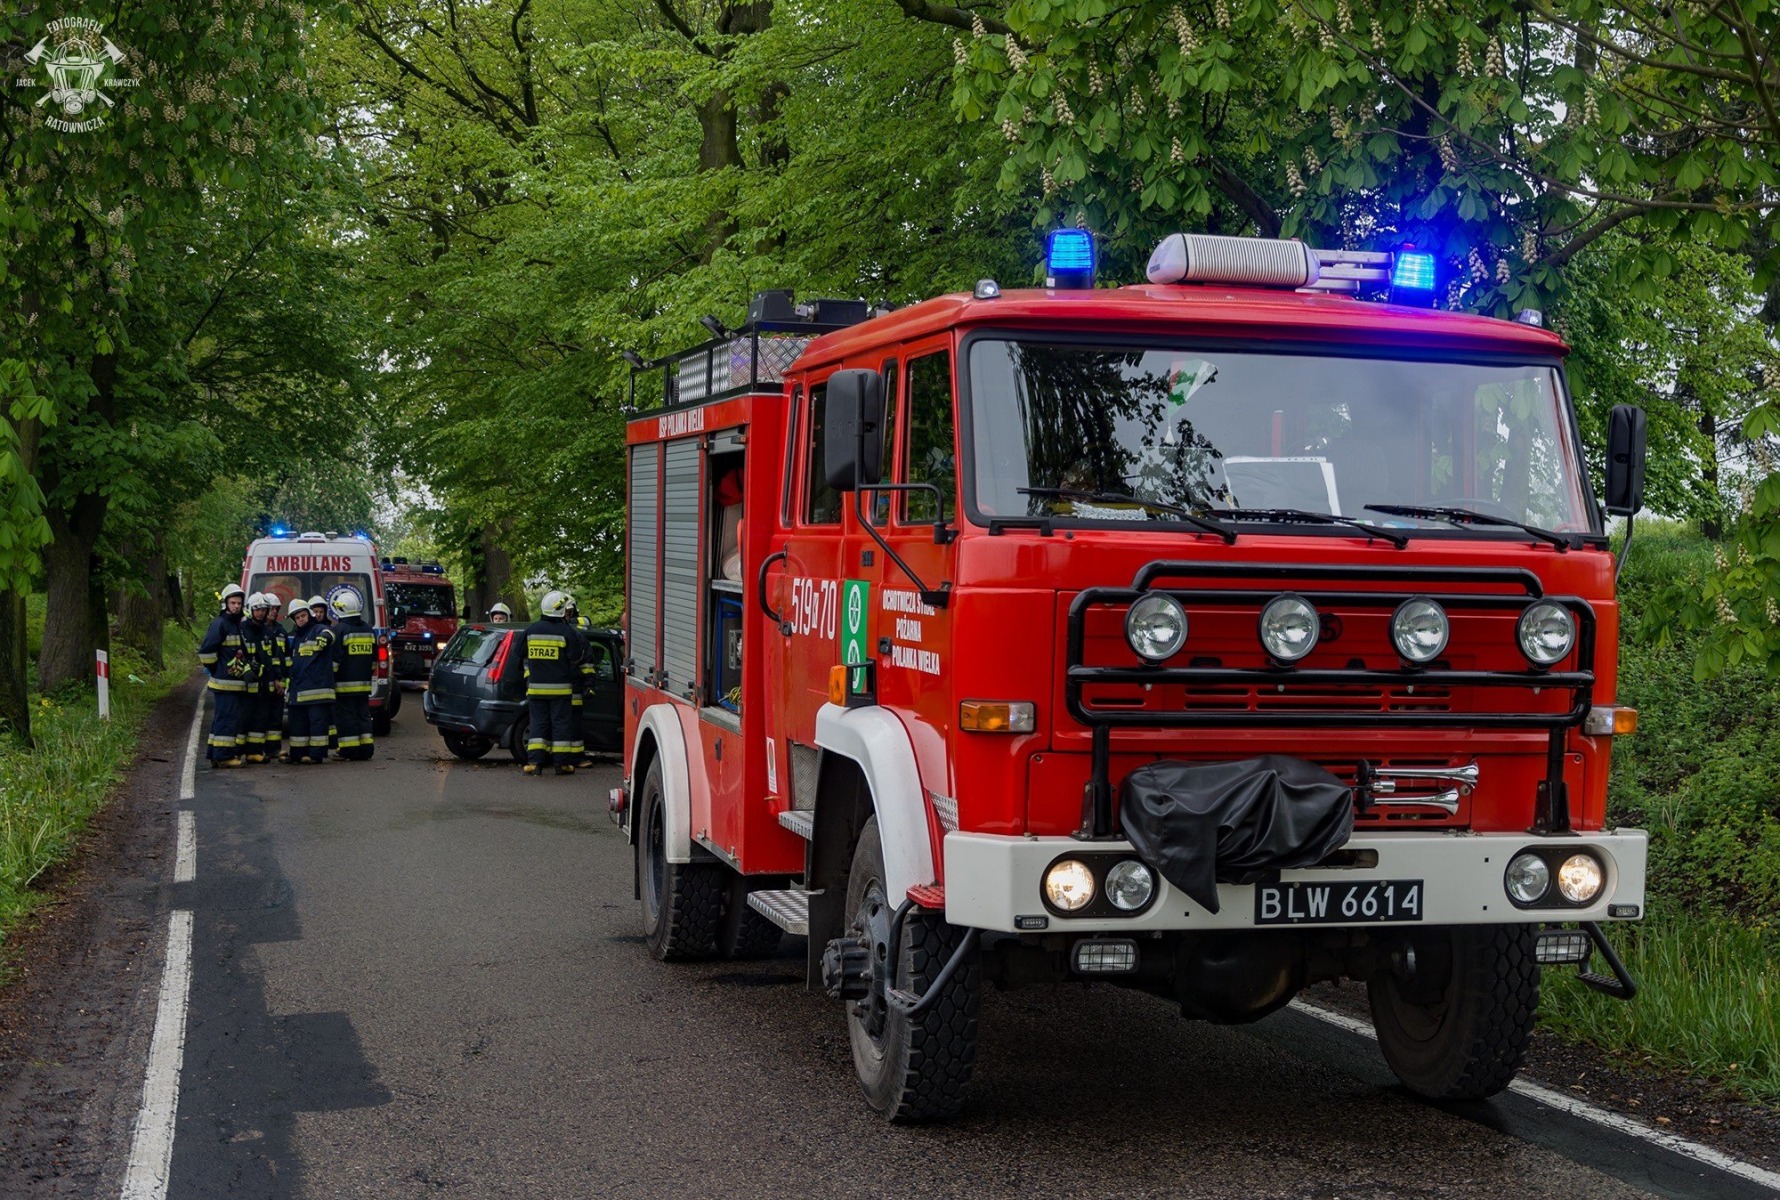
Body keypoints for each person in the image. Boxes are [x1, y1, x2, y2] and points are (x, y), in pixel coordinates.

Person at [516, 590, 585, 776]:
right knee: (560, 725)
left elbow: (519, 652)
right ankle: (561, 765)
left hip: (536, 690)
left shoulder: (531, 629)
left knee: (538, 724)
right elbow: (576, 656)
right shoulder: (566, 631)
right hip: (560, 691)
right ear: (562, 611)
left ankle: (535, 763)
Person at [197, 584, 252, 767]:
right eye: (233, 602)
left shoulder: (236, 625)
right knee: (228, 719)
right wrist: (216, 669)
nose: (236, 606)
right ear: (226, 604)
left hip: (232, 683)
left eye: (238, 603)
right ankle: (225, 757)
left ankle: (215, 754)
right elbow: (205, 652)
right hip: (225, 683)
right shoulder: (221, 624)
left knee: (222, 719)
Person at [284, 598, 336, 764]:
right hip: (299, 691)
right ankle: (298, 754)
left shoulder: (318, 629)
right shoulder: (298, 637)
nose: (301, 619)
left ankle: (316, 755)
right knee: (298, 725)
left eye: (303, 615)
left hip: (317, 691)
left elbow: (329, 633)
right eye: (298, 617)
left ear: (309, 614)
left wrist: (324, 639)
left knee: (317, 724)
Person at [330, 591, 378, 760]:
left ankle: (348, 751)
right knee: (364, 716)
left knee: (347, 718)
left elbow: (335, 662)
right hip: (364, 685)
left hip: (344, 686)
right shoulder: (369, 630)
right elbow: (374, 661)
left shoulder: (339, 631)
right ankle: (366, 750)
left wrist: (330, 679)